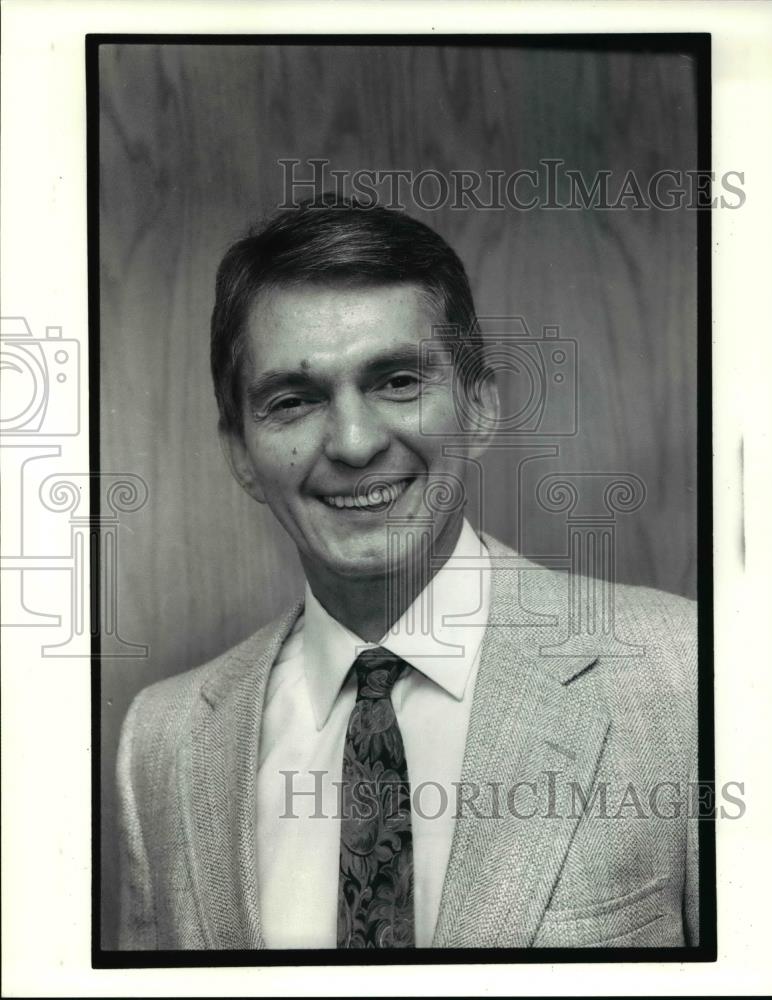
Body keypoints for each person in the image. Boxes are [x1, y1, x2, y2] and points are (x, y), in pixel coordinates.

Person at [116, 197, 699, 950]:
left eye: (397, 381)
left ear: (481, 406)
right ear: (239, 452)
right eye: (293, 401)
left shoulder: (684, 675)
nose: (355, 444)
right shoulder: (159, 745)